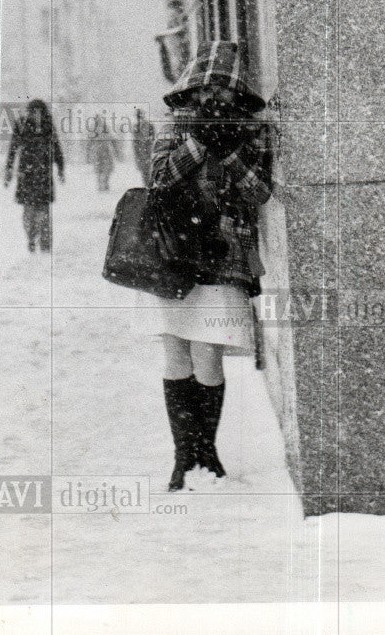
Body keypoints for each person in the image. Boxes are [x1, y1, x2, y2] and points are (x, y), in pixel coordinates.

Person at [148, 40, 274, 490]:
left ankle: (208, 452)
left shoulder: (252, 129)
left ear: (237, 94)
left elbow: (260, 192)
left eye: (223, 91)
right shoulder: (176, 125)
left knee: (209, 352)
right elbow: (159, 178)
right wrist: (201, 142)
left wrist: (231, 150)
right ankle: (184, 458)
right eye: (206, 89)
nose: (214, 98)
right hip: (175, 252)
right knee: (176, 350)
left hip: (225, 252)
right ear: (193, 90)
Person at [4, 99, 64, 252]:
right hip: (27, 175)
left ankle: (45, 243)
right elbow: (13, 148)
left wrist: (60, 168)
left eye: (39, 112)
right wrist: (8, 171)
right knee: (29, 212)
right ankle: (31, 238)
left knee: (43, 212)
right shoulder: (21, 125)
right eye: (33, 111)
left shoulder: (48, 126)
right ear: (29, 112)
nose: (36, 115)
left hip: (44, 174)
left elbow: (56, 147)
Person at [86, 114, 121, 191]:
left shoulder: (102, 128)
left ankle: (102, 183)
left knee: (102, 168)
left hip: (101, 150)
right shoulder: (97, 128)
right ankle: (103, 183)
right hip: (102, 150)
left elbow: (89, 142)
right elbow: (112, 139)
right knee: (104, 168)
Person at [132, 107, 156, 187]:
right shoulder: (136, 127)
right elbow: (135, 141)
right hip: (142, 151)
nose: (139, 117)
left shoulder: (149, 125)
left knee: (149, 170)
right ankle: (147, 185)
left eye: (139, 115)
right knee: (145, 170)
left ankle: (149, 185)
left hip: (148, 150)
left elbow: (153, 138)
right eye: (138, 116)